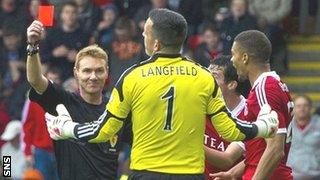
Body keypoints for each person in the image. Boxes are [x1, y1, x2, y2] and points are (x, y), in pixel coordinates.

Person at [45, 9, 278, 179]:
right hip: (189, 174)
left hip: (147, 173)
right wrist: (264, 126)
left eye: (145, 32)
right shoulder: (204, 77)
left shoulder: (132, 76)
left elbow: (104, 130)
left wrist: (66, 128)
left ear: (155, 43)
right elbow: (231, 129)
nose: (142, 36)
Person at [26, 20, 132, 179]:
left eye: (99, 71)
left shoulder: (117, 108)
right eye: (87, 71)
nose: (93, 77)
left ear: (107, 72)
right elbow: (35, 80)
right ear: (76, 73)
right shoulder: (62, 101)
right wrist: (33, 46)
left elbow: (140, 145)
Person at [210, 30, 293, 180]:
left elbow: (275, 149)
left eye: (234, 54)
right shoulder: (273, 85)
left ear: (245, 57)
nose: (232, 61)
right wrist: (234, 173)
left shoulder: (265, 88)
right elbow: (260, 147)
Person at [204, 55, 245, 179]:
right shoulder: (200, 106)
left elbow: (226, 159)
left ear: (232, 85)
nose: (206, 81)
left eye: (214, 77)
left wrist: (187, 142)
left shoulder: (249, 114)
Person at [287, 95, 320, 179]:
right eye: (298, 106)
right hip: (291, 176)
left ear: (311, 108)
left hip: (316, 175)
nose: (302, 108)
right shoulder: (286, 125)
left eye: (305, 105)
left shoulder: (318, 124)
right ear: (293, 109)